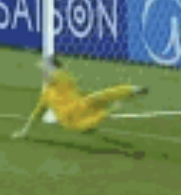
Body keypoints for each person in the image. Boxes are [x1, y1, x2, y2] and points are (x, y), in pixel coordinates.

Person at [12, 57, 148, 140]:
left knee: (101, 95)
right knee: (90, 121)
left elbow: (56, 74)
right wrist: (24, 131)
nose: (43, 74)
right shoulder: (47, 93)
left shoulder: (63, 80)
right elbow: (36, 114)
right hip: (73, 120)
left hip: (81, 105)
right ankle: (110, 110)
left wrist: (45, 65)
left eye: (45, 71)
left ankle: (133, 90)